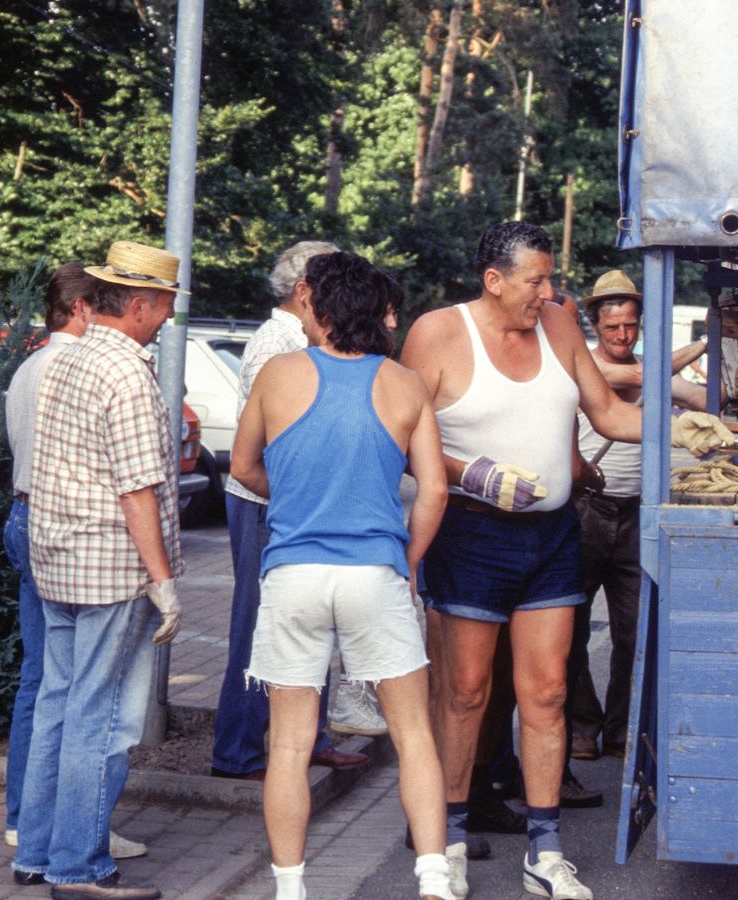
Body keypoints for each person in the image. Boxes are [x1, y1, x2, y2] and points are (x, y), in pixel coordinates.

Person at [401, 222, 730, 900]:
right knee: (465, 693)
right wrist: (472, 474)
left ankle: (545, 850)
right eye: (536, 281)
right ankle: (449, 839)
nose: (548, 293)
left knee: (548, 692)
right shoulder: (438, 333)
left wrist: (679, 428)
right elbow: (399, 435)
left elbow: (607, 413)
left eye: (550, 278)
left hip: (552, 535)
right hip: (472, 535)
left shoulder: (556, 326)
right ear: (494, 281)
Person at [230, 251, 452, 900]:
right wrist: (408, 561)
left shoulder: (278, 374)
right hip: (373, 574)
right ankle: (434, 877)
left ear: (319, 307)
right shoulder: (404, 384)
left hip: (294, 574)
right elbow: (434, 491)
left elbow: (242, 468)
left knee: (289, 745)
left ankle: (290, 887)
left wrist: (297, 499)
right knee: (414, 735)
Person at [13, 241, 186, 900]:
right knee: (100, 718)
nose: (168, 317)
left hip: (58, 561)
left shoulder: (66, 357)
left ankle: (37, 852)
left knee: (58, 707)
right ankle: (78, 868)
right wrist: (164, 582)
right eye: (165, 305)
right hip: (111, 569)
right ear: (138, 305)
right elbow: (137, 490)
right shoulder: (127, 374)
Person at [2, 263, 146, 862]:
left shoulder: (31, 366)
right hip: (70, 531)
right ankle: (76, 831)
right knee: (81, 696)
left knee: (45, 683)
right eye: (100, 308)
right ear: (83, 309)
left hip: (26, 515)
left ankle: (30, 828)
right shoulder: (78, 368)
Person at [211, 240, 371, 781]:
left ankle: (311, 740)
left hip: (288, 504)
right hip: (265, 504)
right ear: (304, 290)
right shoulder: (276, 343)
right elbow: (264, 446)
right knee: (257, 627)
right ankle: (237, 753)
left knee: (312, 620)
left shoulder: (303, 337)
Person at [568, 270, 713, 763]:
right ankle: (582, 726)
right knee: (571, 629)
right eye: (612, 327)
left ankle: (620, 729)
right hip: (586, 510)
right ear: (595, 326)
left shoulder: (650, 371)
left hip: (636, 514)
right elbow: (640, 378)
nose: (622, 335)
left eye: (630, 325)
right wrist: (704, 342)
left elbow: (704, 398)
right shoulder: (587, 368)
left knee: (634, 632)